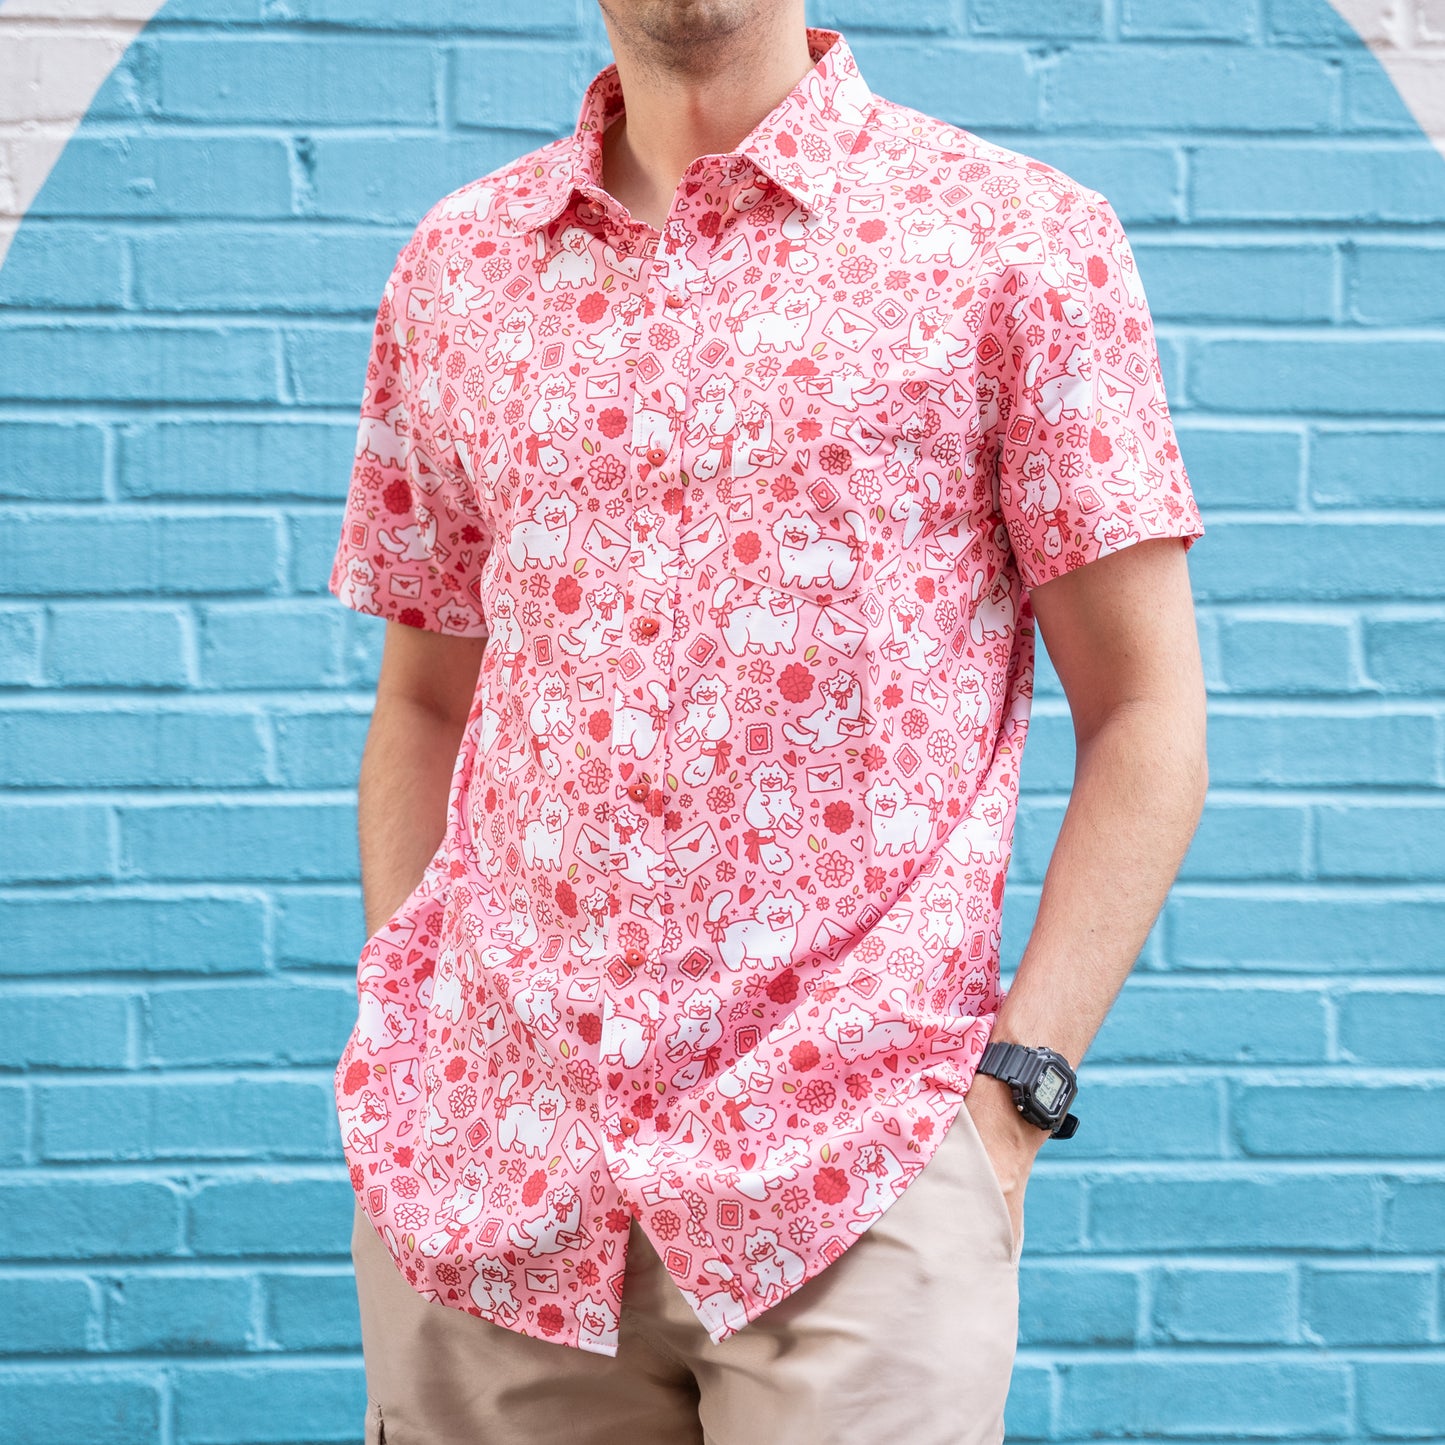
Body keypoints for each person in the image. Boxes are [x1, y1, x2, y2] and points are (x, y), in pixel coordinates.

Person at [327, 3, 1208, 1440]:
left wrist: (1011, 1099)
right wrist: (409, 1032)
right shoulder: (459, 265)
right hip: (489, 1171)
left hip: (856, 1169)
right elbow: (428, 699)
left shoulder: (1012, 242)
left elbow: (1148, 712)